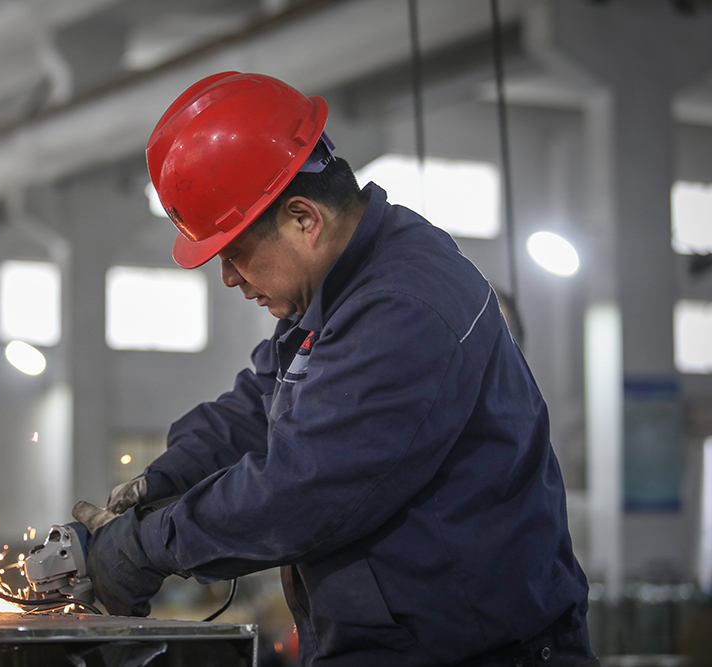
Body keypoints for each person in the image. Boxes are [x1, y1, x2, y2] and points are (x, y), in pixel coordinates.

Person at [72, 71, 594, 667]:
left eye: (236, 252)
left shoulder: (403, 307)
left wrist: (147, 546)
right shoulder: (338, 291)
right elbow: (256, 408)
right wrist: (166, 479)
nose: (230, 277)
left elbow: (303, 489)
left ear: (304, 219)